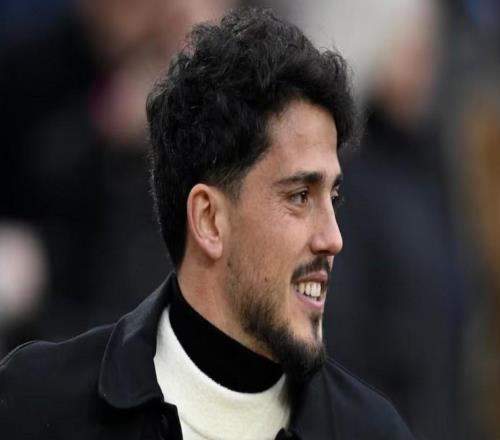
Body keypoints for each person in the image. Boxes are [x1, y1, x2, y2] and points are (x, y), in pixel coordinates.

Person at [0, 8, 415, 439]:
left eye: (333, 198)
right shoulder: (36, 404)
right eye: (299, 196)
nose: (333, 239)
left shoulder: (374, 432)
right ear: (209, 219)